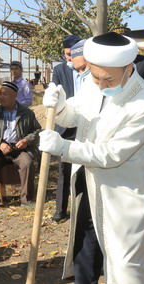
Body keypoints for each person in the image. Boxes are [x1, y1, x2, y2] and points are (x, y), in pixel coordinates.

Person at [39, 32, 144, 284]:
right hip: (89, 181)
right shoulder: (95, 80)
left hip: (125, 190)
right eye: (94, 75)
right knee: (85, 248)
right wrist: (59, 105)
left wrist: (63, 147)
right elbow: (75, 116)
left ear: (128, 68)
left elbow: (111, 154)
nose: (99, 83)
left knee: (127, 260)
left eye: (106, 78)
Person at [0, 81, 41, 211]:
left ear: (15, 95)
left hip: (18, 149)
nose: (1, 97)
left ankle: (26, 199)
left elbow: (37, 131)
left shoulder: (27, 113)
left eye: (5, 94)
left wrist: (26, 140)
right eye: (0, 94)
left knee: (27, 163)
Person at [51, 35, 83, 223]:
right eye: (66, 55)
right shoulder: (59, 70)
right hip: (65, 127)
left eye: (71, 54)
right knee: (64, 170)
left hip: (86, 126)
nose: (69, 59)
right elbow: (55, 94)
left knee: (85, 169)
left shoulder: (90, 71)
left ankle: (81, 207)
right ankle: (60, 210)